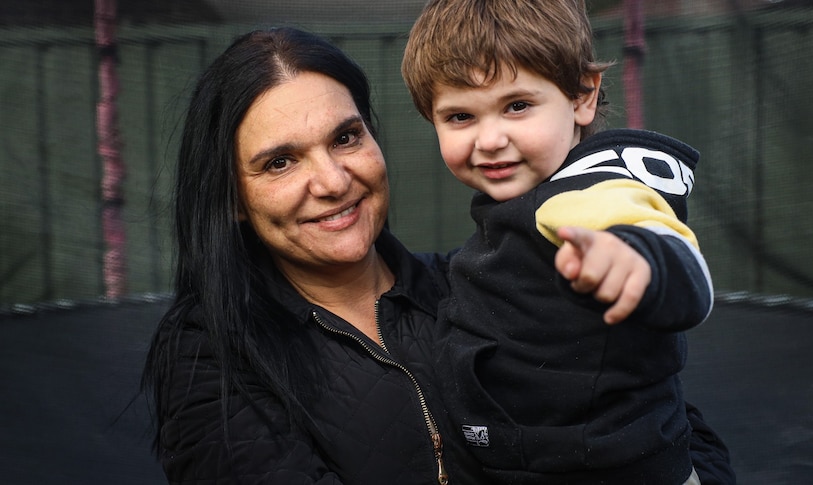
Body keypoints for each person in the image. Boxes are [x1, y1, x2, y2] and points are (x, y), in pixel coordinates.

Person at [141, 25, 732, 485]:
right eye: (280, 161)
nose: (332, 181)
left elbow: (667, 423)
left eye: (346, 137)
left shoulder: (482, 282)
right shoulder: (210, 351)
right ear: (234, 199)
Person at [401, 0, 733, 484]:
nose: (489, 138)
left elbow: (672, 257)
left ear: (582, 96)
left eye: (517, 106)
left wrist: (640, 263)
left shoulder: (587, 195)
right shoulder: (524, 205)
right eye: (459, 117)